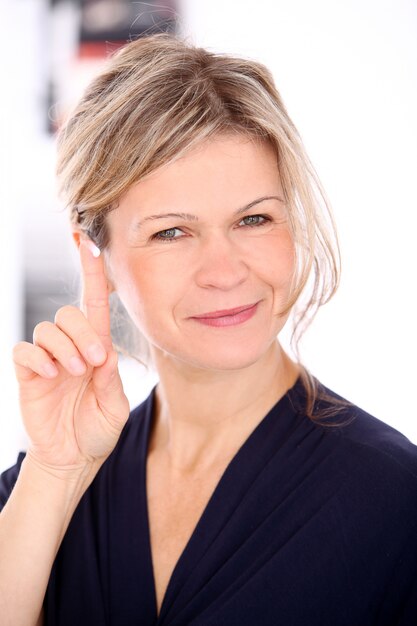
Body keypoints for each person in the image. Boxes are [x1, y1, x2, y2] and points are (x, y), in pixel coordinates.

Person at [0, 33, 416, 626]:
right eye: (173, 231)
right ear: (98, 257)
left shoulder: (393, 500)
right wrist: (55, 474)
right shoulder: (49, 482)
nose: (225, 272)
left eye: (254, 219)